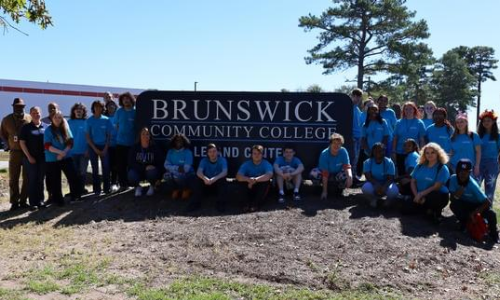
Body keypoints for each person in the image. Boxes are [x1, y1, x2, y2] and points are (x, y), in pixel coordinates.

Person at [449, 159, 498, 243]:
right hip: (464, 204)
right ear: (457, 170)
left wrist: (475, 212)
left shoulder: (473, 185)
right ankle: (464, 223)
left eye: (466, 172)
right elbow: (452, 198)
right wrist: (458, 193)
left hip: (477, 205)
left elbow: (487, 202)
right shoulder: (453, 179)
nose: (462, 174)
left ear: (469, 172)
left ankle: (494, 234)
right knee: (454, 205)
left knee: (492, 214)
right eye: (460, 171)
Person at [403, 142, 450, 223]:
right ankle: (425, 208)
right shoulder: (419, 165)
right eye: (427, 153)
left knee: (434, 197)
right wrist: (416, 195)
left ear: (438, 153)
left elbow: (436, 187)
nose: (429, 155)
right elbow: (413, 181)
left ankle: (435, 211)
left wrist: (421, 194)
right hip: (419, 194)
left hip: (436, 196)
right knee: (405, 209)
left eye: (432, 152)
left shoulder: (442, 168)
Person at [0, 98, 31, 211]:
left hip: (27, 152)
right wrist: (6, 143)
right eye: (16, 106)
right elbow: (2, 134)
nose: (19, 108)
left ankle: (23, 200)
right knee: (13, 178)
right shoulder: (6, 120)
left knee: (27, 177)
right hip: (14, 152)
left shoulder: (29, 118)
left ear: (24, 107)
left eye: (21, 106)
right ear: (13, 107)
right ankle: (14, 202)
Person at [44, 110, 80, 206]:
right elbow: (47, 146)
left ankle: (75, 197)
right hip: (52, 159)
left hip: (66, 156)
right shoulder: (48, 130)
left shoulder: (65, 128)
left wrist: (64, 153)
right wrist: (60, 152)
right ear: (52, 118)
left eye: (59, 117)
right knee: (55, 181)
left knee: (73, 176)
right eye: (55, 117)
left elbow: (70, 142)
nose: (57, 119)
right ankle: (58, 201)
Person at [188, 143, 228, 212]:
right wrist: (205, 178)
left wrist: (214, 179)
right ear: (207, 153)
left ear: (218, 152)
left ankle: (220, 204)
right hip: (206, 184)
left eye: (214, 151)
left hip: (216, 184)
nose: (212, 153)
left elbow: (225, 172)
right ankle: (195, 204)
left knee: (223, 181)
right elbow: (199, 172)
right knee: (197, 180)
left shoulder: (222, 160)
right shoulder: (204, 161)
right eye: (210, 152)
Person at [19, 106, 46, 209]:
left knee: (40, 179)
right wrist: (29, 156)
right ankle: (33, 203)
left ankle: (41, 201)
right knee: (32, 179)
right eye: (34, 113)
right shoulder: (26, 128)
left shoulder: (46, 126)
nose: (36, 114)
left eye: (38, 112)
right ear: (30, 114)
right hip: (30, 158)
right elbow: (22, 143)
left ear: (41, 113)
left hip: (43, 158)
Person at [85, 100, 113, 195]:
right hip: (93, 146)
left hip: (104, 146)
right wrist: (95, 149)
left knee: (106, 167)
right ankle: (96, 190)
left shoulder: (106, 120)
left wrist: (105, 148)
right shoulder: (89, 121)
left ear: (102, 108)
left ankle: (106, 189)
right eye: (96, 107)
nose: (98, 108)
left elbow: (109, 135)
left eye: (100, 107)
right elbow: (88, 137)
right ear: (93, 108)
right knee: (95, 168)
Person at [313, 133, 353, 200]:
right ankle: (321, 189)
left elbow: (347, 167)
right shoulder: (324, 154)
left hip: (337, 173)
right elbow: (325, 174)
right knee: (313, 173)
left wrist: (350, 177)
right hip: (325, 174)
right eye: (334, 143)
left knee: (348, 175)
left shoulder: (343, 151)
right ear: (330, 144)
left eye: (339, 143)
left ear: (341, 145)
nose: (336, 145)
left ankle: (339, 190)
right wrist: (324, 192)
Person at [127, 127, 164, 197]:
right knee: (131, 174)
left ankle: (152, 186)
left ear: (150, 136)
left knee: (152, 172)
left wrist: (154, 167)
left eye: (147, 134)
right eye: (143, 134)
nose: (145, 136)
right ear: (140, 136)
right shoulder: (135, 147)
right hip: (138, 170)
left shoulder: (155, 147)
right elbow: (131, 163)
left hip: (150, 171)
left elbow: (160, 162)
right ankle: (138, 187)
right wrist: (144, 168)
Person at [392, 102, 426, 176]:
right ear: (403, 111)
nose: (408, 111)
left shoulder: (419, 123)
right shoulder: (399, 122)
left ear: (414, 110)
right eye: (406, 109)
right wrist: (394, 151)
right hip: (400, 152)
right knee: (401, 173)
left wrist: (422, 152)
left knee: (412, 174)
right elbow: (395, 138)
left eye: (410, 109)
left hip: (413, 153)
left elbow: (421, 139)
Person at [236, 145, 273, 212]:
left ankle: (255, 205)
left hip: (259, 188)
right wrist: (249, 180)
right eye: (254, 153)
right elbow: (238, 176)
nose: (257, 155)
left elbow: (269, 175)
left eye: (259, 153)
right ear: (251, 155)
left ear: (262, 155)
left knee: (266, 182)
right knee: (240, 182)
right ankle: (245, 205)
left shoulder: (266, 164)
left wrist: (255, 180)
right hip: (249, 187)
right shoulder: (246, 164)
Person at [361, 143, 398, 208]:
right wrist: (376, 184)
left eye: (381, 150)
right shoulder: (367, 162)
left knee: (394, 190)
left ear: (384, 151)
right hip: (373, 183)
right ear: (373, 152)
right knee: (365, 187)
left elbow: (391, 178)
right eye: (376, 150)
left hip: (386, 183)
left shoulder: (389, 162)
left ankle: (388, 201)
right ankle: (373, 199)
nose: (378, 152)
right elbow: (368, 177)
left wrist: (385, 186)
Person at [476, 110, 500, 203]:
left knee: (490, 189)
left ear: (493, 122)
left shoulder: (497, 136)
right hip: (479, 163)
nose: (486, 122)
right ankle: (475, 209)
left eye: (488, 120)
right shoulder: (477, 135)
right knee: (476, 186)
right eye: (484, 121)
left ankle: (488, 211)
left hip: (493, 165)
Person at [115, 92, 136, 190]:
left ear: (131, 100)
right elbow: (116, 125)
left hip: (132, 144)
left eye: (128, 98)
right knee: (120, 165)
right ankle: (123, 184)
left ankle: (131, 184)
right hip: (120, 143)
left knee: (131, 164)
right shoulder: (119, 112)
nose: (126, 100)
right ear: (121, 101)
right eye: (124, 99)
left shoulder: (136, 112)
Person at [164, 134, 194, 200]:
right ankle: (175, 189)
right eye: (176, 140)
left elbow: (186, 169)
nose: (178, 142)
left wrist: (171, 168)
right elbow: (166, 165)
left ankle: (186, 189)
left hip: (187, 175)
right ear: (173, 141)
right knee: (166, 176)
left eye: (181, 140)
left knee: (179, 176)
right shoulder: (170, 151)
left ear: (184, 142)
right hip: (175, 173)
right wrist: (177, 168)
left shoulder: (188, 152)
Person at [67, 103, 89, 197]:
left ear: (83, 111)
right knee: (72, 173)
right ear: (74, 111)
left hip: (84, 152)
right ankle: (73, 190)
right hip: (71, 152)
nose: (79, 111)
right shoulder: (69, 122)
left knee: (83, 172)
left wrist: (88, 149)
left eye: (81, 109)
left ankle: (81, 189)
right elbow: (65, 137)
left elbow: (90, 137)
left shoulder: (87, 122)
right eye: (77, 109)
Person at [105, 100, 119, 192]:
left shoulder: (118, 116)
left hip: (117, 144)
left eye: (113, 105)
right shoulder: (104, 118)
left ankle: (114, 183)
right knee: (107, 166)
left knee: (115, 165)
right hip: (107, 145)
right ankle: (107, 185)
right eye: (109, 106)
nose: (111, 107)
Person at [350, 88, 363, 182]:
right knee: (352, 158)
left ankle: (354, 176)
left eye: (359, 96)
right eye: (355, 96)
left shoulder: (358, 109)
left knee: (356, 158)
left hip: (359, 137)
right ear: (352, 96)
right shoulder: (348, 107)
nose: (357, 98)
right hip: (352, 137)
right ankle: (351, 177)